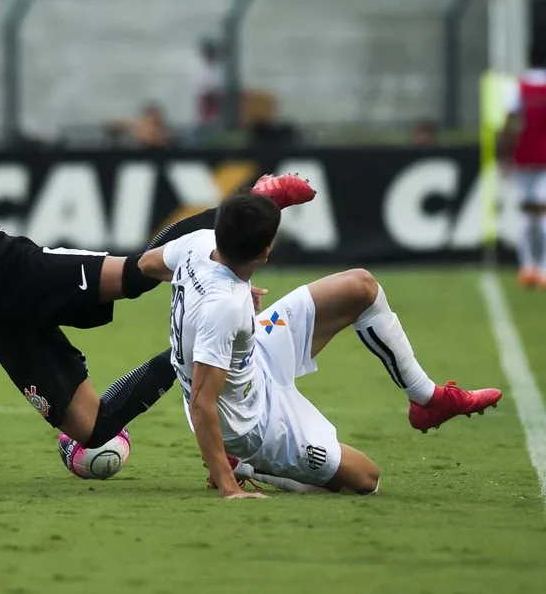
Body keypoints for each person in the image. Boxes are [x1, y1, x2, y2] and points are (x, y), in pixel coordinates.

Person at [0, 64, 316, 451]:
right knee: (93, 429)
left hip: (17, 272)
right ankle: (179, 359)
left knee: (139, 274)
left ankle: (258, 198)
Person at [134, 193, 503, 497]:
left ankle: (426, 398)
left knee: (360, 287)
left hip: (253, 350)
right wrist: (231, 489)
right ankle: (245, 463)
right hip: (251, 423)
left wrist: (229, 289)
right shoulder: (225, 306)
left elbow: (148, 264)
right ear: (264, 253)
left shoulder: (201, 245)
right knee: (366, 480)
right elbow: (201, 403)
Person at [499, 45, 546, 289]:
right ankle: (542, 268)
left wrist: (504, 156)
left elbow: (508, 124)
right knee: (542, 214)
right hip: (543, 158)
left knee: (527, 215)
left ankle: (527, 267)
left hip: (524, 156)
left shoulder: (518, 87)